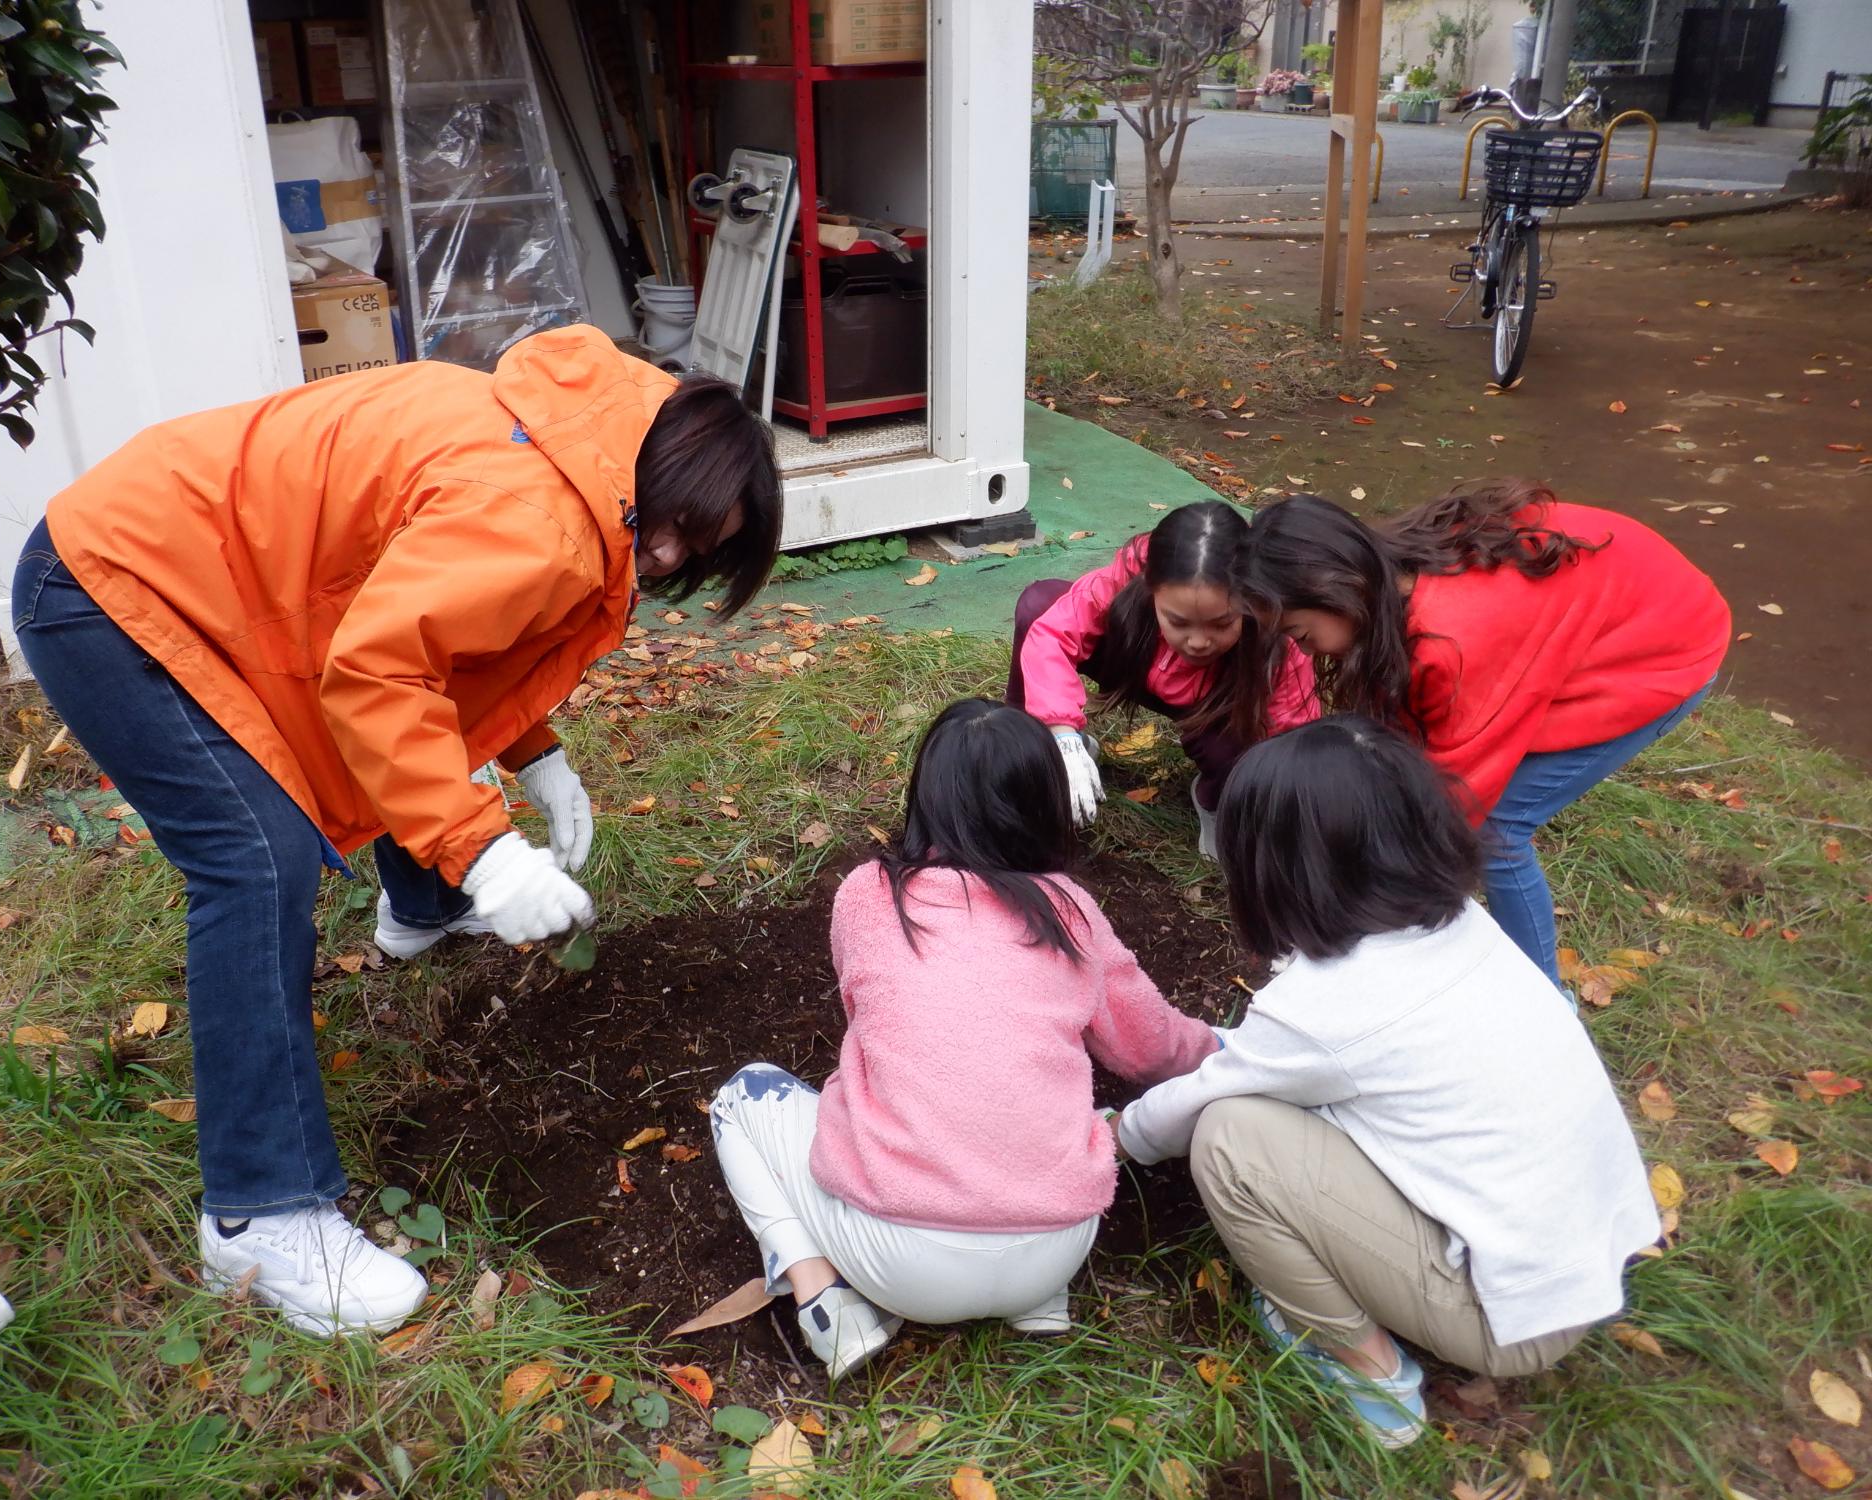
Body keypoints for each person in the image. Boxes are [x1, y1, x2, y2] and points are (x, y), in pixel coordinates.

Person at [12, 327, 782, 1337]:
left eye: (698, 552)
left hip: (210, 574)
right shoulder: (540, 514)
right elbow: (380, 676)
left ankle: (419, 906)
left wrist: (531, 750)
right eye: (679, 526)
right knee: (256, 860)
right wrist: (489, 854)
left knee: (375, 756)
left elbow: (437, 631)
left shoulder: (569, 436)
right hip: (115, 588)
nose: (670, 556)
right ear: (662, 459)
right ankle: (260, 1212)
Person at [1114, 716, 1661, 1449]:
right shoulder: (1458, 924)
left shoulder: (1330, 1005)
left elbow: (1191, 1106)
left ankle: (1370, 1374)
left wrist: (1116, 1134)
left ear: (1278, 867)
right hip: (1581, 1262)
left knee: (1231, 1139)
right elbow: (1306, 1060)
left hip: (1508, 1319)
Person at [709, 699, 1218, 1379]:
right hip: (1057, 1242)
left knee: (742, 1096)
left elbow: (872, 1015)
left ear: (926, 794)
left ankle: (824, 1299)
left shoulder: (870, 895)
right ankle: (1036, 1302)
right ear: (1044, 802)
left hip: (897, 1256)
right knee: (1085, 1114)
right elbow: (1150, 1049)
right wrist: (1230, 1049)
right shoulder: (1069, 910)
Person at [1237, 482, 1728, 987]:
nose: (1307, 652)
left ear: (1335, 587)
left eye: (1300, 634)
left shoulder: (1454, 641)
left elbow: (1455, 800)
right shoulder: (1389, 579)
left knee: (1496, 830)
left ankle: (1544, 1001)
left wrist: (1367, 890)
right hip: (1617, 601)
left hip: (1668, 646)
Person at [1007, 502, 1317, 860]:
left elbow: (1292, 739)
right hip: (1133, 664)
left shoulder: (1277, 641)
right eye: (1179, 621)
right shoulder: (1127, 575)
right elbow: (1053, 634)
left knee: (1242, 754)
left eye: (1221, 623)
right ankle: (1034, 746)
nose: (1198, 641)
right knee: (1039, 605)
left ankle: (1217, 801)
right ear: (1150, 587)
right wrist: (1060, 734)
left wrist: (1275, 812)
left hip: (1213, 705)